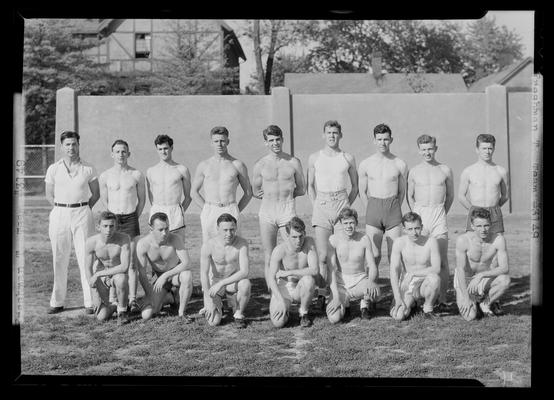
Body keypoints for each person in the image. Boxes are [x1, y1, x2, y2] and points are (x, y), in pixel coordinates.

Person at [44, 130, 100, 315]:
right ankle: (57, 302)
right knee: (59, 258)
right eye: (67, 144)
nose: (71, 147)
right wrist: (62, 208)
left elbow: (96, 194)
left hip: (83, 213)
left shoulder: (89, 168)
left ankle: (90, 302)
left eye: (74, 144)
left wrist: (82, 207)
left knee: (86, 257)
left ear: (78, 145)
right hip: (60, 213)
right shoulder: (54, 168)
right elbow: (49, 194)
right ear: (62, 146)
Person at [307, 120, 358, 309]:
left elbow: (355, 187)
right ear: (323, 135)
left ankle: (342, 292)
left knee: (340, 253)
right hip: (322, 205)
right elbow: (309, 186)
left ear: (340, 135)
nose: (332, 136)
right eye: (328, 132)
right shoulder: (314, 157)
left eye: (335, 133)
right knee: (322, 255)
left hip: (341, 204)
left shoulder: (348, 158)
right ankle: (322, 292)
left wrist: (346, 208)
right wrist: (316, 205)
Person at [252, 125, 305, 291]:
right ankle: (272, 291)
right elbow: (255, 190)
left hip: (287, 210)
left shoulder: (293, 162)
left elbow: (301, 188)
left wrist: (286, 196)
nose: (275, 143)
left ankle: (292, 286)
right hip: (267, 212)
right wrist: (271, 196)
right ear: (266, 143)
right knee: (269, 254)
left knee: (291, 250)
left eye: (277, 139)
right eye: (271, 140)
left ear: (282, 139)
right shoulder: (260, 164)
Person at [407, 134, 454, 310]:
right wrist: (417, 215)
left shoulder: (445, 170)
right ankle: (417, 296)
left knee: (441, 261)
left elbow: (450, 196)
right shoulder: (414, 171)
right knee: (421, 259)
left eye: (430, 149)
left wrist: (441, 212)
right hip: (421, 214)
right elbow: (410, 196)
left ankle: (442, 299)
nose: (427, 152)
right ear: (419, 150)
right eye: (424, 149)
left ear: (436, 148)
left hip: (438, 215)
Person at [98, 139, 146, 314]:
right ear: (112, 154)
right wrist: (112, 219)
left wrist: (134, 217)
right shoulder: (105, 176)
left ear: (129, 153)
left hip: (131, 219)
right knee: (113, 261)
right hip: (114, 220)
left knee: (132, 262)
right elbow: (104, 200)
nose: (120, 154)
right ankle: (113, 299)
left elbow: (142, 200)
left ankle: (132, 300)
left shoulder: (136, 175)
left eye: (124, 151)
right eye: (117, 151)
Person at [358, 123, 408, 271]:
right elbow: (362, 191)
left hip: (393, 209)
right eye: (379, 139)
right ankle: (371, 290)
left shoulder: (400, 163)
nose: (382, 143)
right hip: (373, 207)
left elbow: (402, 191)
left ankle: (396, 292)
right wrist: (370, 208)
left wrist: (394, 207)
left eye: (385, 139)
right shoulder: (366, 164)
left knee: (394, 254)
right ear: (374, 140)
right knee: (374, 255)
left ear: (391, 140)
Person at [192, 126, 253, 244]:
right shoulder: (204, 165)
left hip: (230, 208)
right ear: (211, 143)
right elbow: (194, 192)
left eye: (222, 141)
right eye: (216, 141)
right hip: (210, 209)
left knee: (233, 247)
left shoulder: (237, 165)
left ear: (228, 141)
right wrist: (206, 208)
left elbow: (248, 193)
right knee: (209, 246)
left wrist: (235, 210)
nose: (219, 144)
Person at [135, 212, 194, 322]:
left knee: (187, 275)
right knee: (147, 315)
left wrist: (166, 275)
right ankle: (170, 297)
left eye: (167, 228)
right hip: (159, 279)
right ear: (151, 228)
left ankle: (181, 313)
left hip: (176, 275)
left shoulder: (175, 239)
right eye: (160, 229)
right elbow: (142, 274)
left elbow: (187, 263)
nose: (165, 233)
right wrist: (150, 294)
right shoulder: (143, 244)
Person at [454, 208, 511, 321]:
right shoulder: (463, 240)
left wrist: (481, 275)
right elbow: (460, 270)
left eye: (486, 225)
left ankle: (485, 304)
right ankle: (472, 301)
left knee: (505, 280)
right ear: (472, 225)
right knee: (470, 317)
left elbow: (505, 268)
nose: (483, 229)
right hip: (466, 279)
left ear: (491, 224)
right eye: (479, 226)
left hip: (483, 279)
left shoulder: (498, 240)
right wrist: (466, 298)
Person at [325, 208, 380, 323]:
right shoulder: (334, 240)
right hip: (341, 283)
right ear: (340, 224)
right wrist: (335, 296)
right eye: (345, 223)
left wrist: (370, 282)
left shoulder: (364, 239)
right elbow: (331, 270)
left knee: (376, 293)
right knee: (334, 319)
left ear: (356, 223)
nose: (349, 226)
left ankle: (364, 305)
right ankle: (345, 304)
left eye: (351, 223)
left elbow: (372, 265)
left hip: (359, 279)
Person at [200, 213, 251, 328]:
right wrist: (208, 300)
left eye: (232, 229)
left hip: (231, 282)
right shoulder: (208, 245)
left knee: (245, 284)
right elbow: (203, 274)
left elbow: (244, 271)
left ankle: (238, 313)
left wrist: (222, 283)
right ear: (218, 229)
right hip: (214, 284)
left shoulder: (242, 243)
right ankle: (219, 304)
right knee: (214, 322)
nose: (229, 234)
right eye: (225, 230)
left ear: (236, 228)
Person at [389, 212, 441, 321]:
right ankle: (410, 303)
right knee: (398, 316)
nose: (414, 232)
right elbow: (394, 271)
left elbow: (436, 268)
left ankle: (428, 309)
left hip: (424, 280)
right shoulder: (399, 243)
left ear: (421, 227)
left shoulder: (431, 241)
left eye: (417, 228)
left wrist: (413, 273)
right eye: (410, 229)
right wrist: (397, 297)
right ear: (404, 229)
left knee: (435, 279)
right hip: (408, 283)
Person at [268, 217, 318, 328]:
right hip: (284, 286)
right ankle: (285, 306)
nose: (298, 241)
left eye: (301, 236)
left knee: (309, 280)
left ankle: (303, 313)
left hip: (300, 286)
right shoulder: (279, 250)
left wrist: (288, 272)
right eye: (294, 237)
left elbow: (314, 270)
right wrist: (281, 301)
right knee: (278, 323)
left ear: (304, 233)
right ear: (287, 236)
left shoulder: (309, 243)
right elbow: (271, 279)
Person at [84, 211, 131, 325]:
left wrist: (98, 274)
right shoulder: (91, 242)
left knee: (121, 279)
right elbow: (87, 266)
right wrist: (92, 284)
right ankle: (115, 305)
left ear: (116, 226)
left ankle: (122, 311)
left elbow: (124, 266)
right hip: (101, 276)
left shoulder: (124, 239)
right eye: (105, 226)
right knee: (102, 317)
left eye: (111, 226)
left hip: (117, 274)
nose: (108, 229)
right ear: (98, 227)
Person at [458, 134, 509, 238]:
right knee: (473, 247)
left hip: (494, 212)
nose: (487, 151)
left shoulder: (501, 171)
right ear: (477, 149)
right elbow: (461, 196)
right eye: (484, 148)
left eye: (490, 148)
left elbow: (505, 195)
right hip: (475, 211)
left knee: (497, 245)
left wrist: (495, 208)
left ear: (494, 149)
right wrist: (473, 210)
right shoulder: (468, 171)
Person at [146, 134, 192, 242]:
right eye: (160, 149)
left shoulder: (182, 169)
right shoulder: (150, 171)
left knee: (178, 247)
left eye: (166, 148)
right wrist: (157, 210)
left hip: (175, 211)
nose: (163, 152)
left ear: (171, 148)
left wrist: (178, 212)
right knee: (156, 249)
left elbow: (188, 197)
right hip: (157, 210)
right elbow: (151, 198)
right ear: (157, 150)